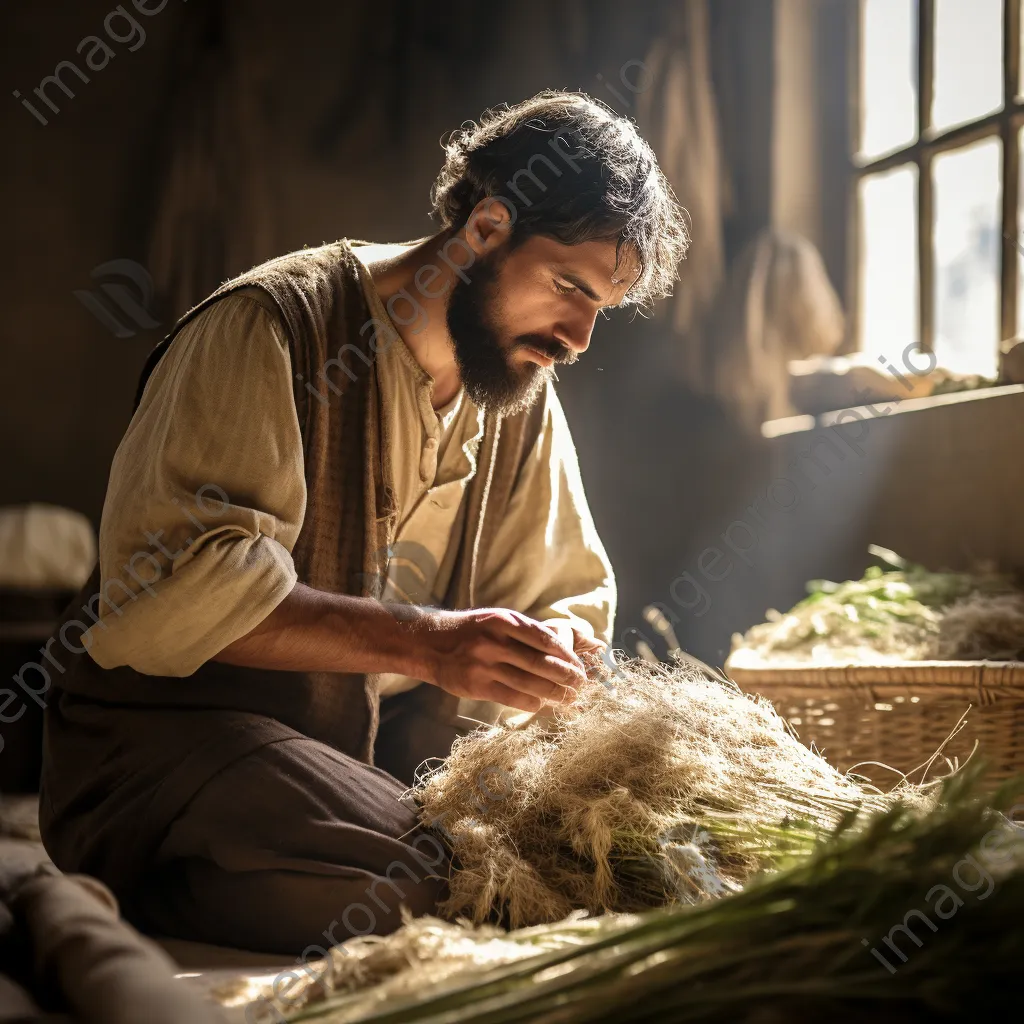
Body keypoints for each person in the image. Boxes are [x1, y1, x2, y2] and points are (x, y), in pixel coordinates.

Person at [39, 89, 689, 954]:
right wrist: (427, 643)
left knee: (563, 865)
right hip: (173, 741)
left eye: (598, 309)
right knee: (446, 877)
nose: (577, 336)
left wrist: (550, 653)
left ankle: (219, 879)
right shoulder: (270, 328)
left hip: (369, 768)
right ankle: (132, 869)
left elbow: (565, 592)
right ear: (487, 228)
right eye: (568, 285)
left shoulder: (520, 389)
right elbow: (179, 589)